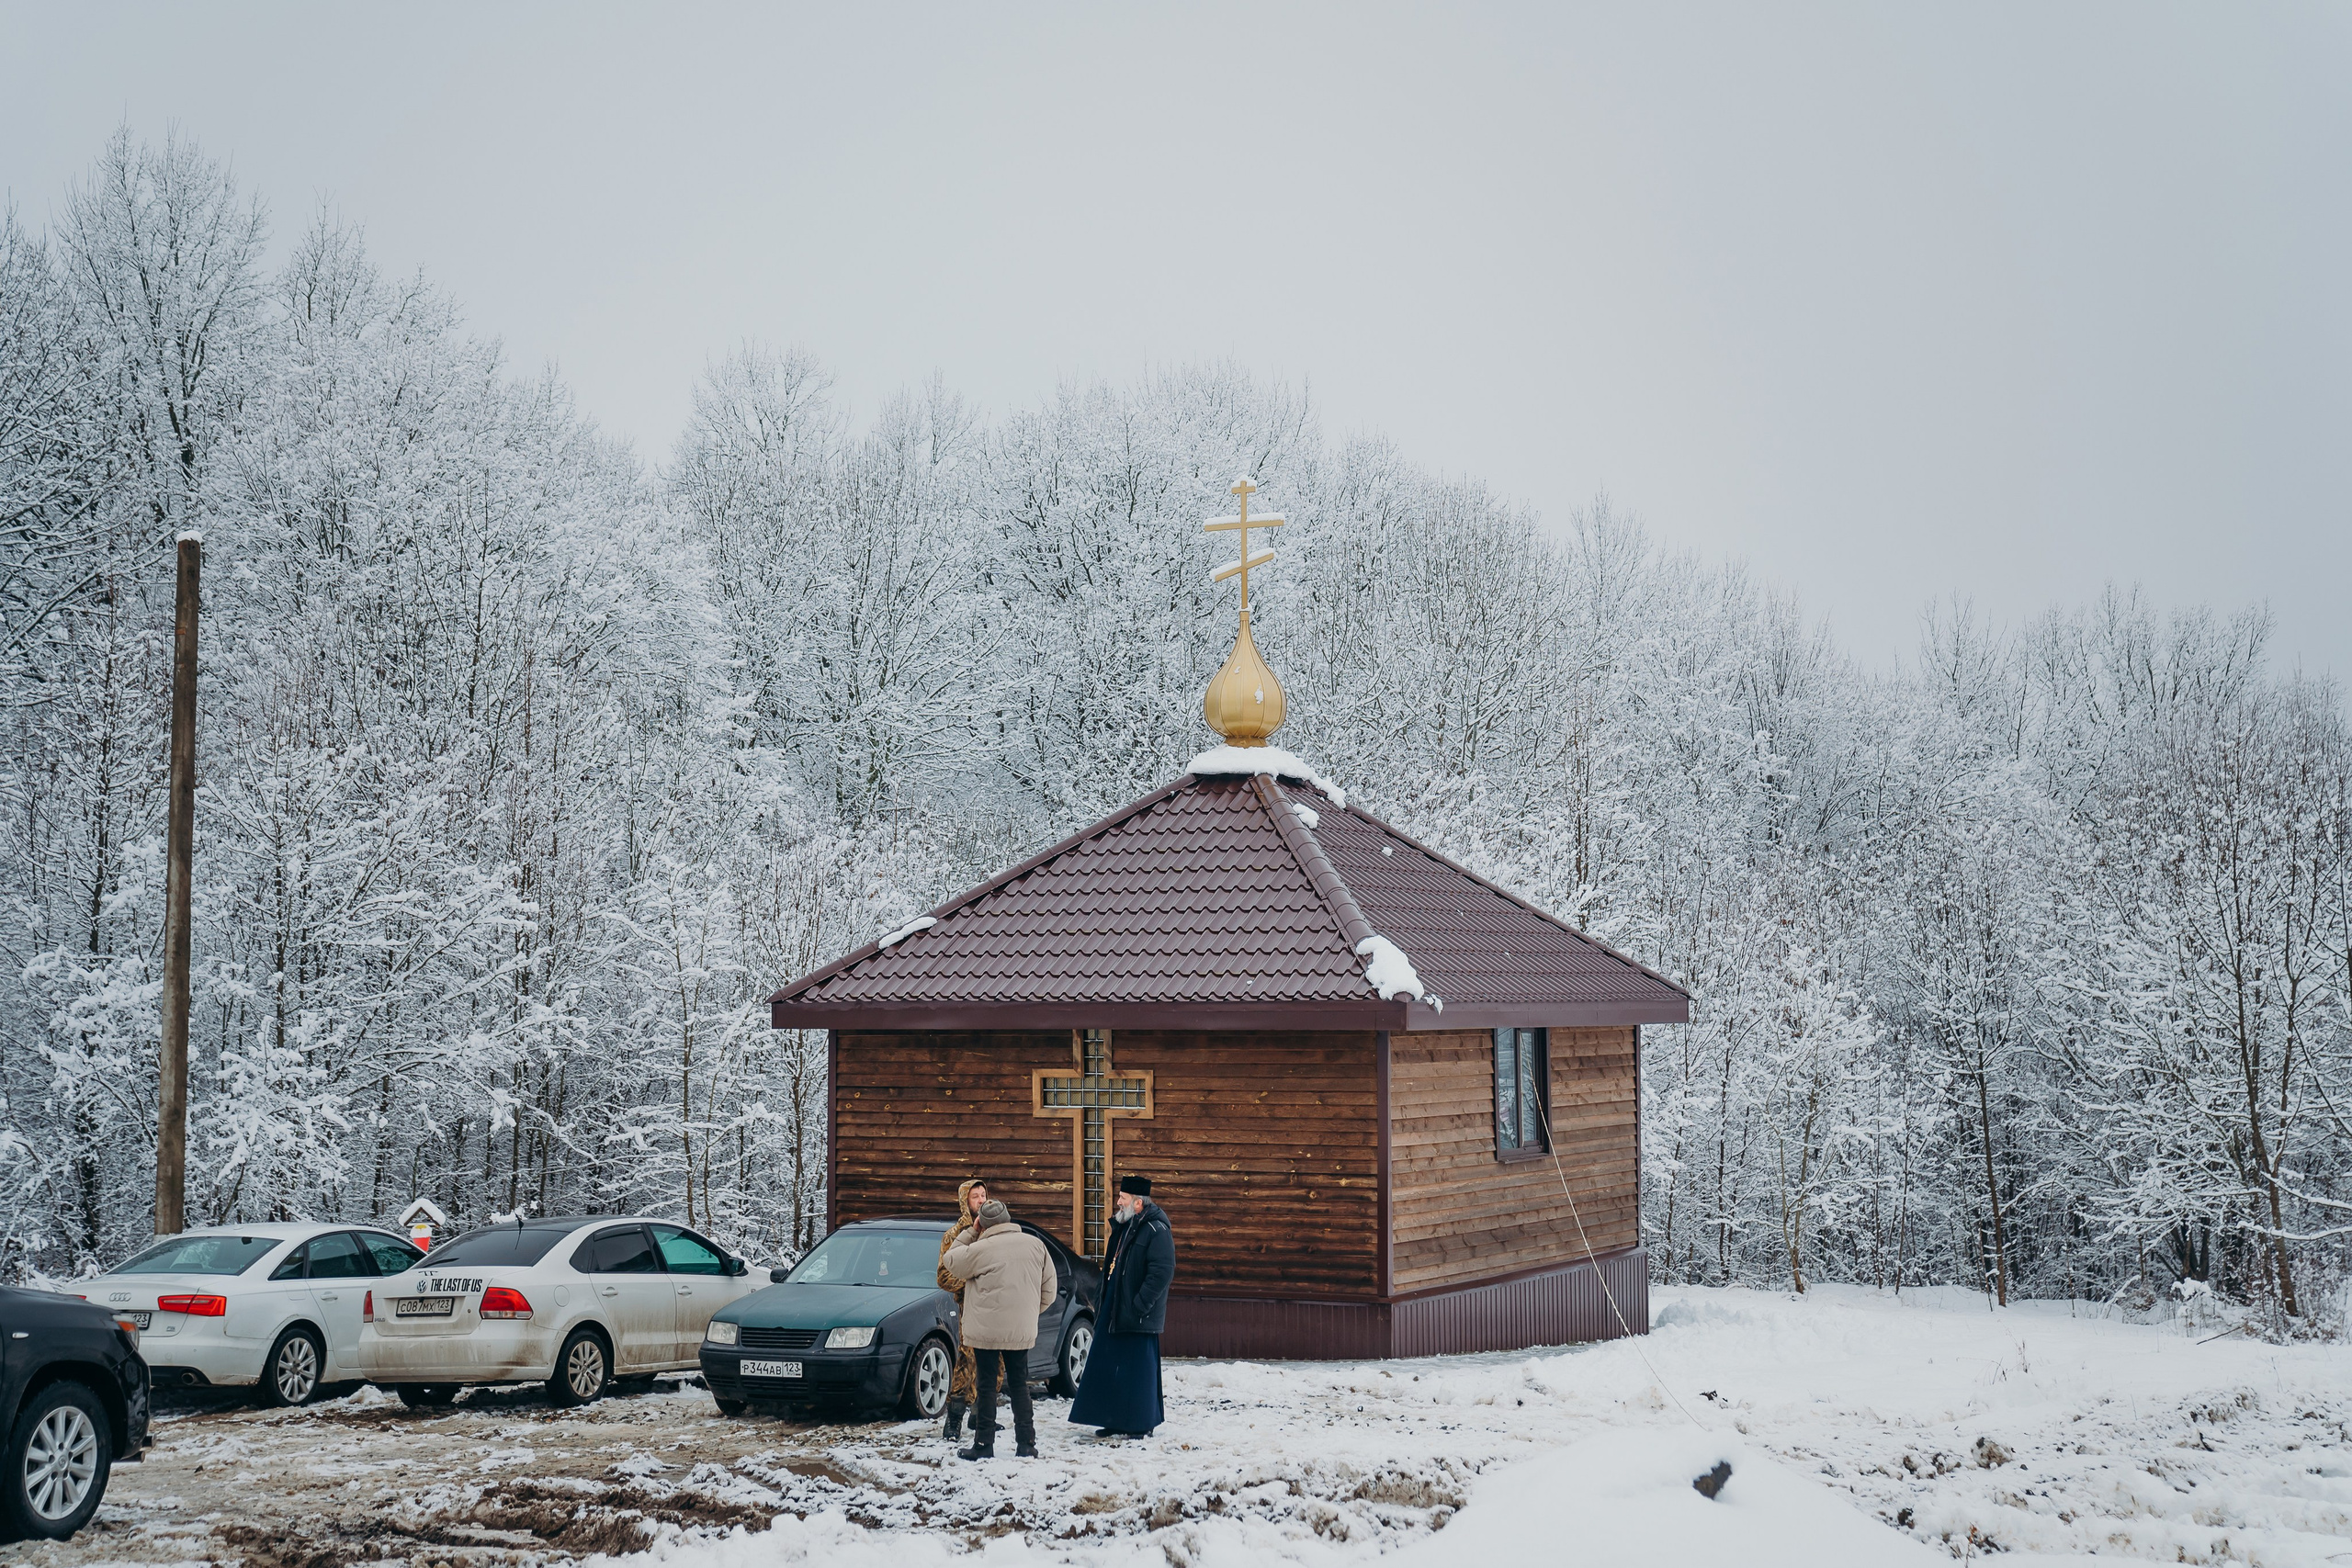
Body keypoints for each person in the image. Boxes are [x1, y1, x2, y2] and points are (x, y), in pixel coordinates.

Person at [940, 1199, 1055, 1461]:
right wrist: (1027, 1314)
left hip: (986, 1331)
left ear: (984, 1224)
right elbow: (1049, 1287)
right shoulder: (1036, 1245)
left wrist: (971, 1231)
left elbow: (950, 1259)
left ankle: (983, 1444)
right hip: (1020, 1329)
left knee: (986, 1385)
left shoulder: (980, 1248)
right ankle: (1026, 1444)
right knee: (1019, 1385)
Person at [1069, 1173, 1173, 1440]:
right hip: (1115, 1310)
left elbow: (1161, 1272)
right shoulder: (1125, 1226)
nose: (1118, 1203)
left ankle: (1140, 1423)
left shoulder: (1156, 1229)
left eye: (1123, 1199)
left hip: (1137, 1314)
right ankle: (1114, 1420)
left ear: (1138, 1204)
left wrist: (1140, 1305)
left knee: (1138, 1372)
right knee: (1111, 1366)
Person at [935, 1178, 990, 1441]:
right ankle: (954, 1420)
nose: (981, 1200)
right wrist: (974, 1280)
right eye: (975, 1196)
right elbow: (943, 1276)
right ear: (965, 1202)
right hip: (970, 1309)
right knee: (967, 1361)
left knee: (996, 1363)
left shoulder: (995, 1231)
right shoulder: (954, 1236)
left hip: (996, 1308)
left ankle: (981, 1416)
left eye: (983, 1195)